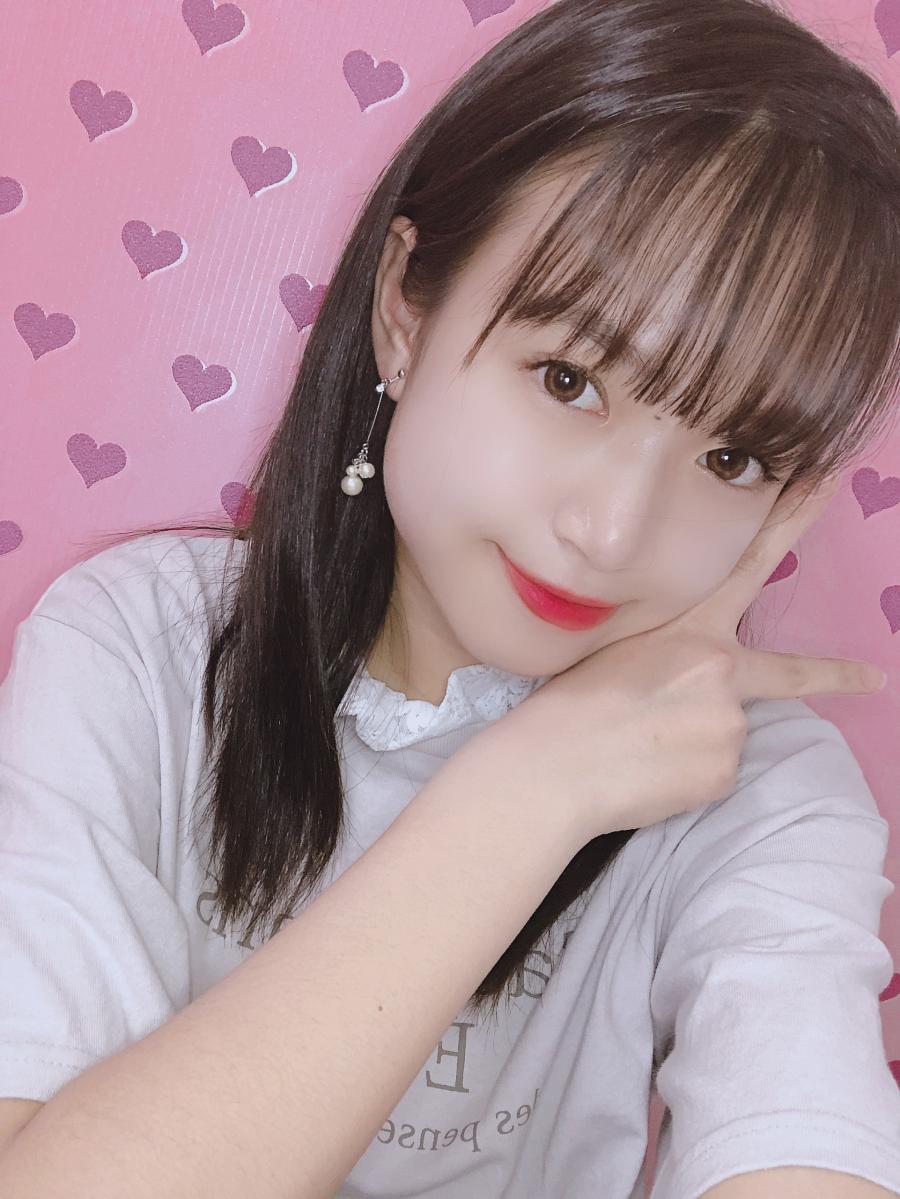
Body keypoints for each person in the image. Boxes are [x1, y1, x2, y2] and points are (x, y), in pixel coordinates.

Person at [1, 0, 899, 1196]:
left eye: (732, 457)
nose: (611, 532)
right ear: (405, 309)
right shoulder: (140, 647)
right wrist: (533, 790)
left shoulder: (758, 790)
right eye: (569, 379)